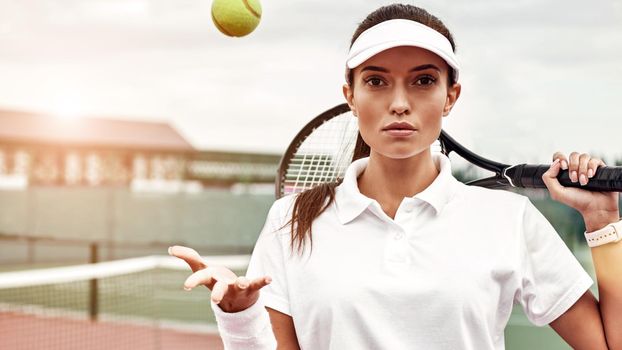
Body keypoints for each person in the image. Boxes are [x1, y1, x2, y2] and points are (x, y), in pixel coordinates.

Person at [170, 4, 622, 349]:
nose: (400, 102)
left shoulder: (510, 220)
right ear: (350, 94)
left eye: (424, 81)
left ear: (451, 96)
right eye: (377, 80)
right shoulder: (290, 220)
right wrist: (240, 318)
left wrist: (604, 223)